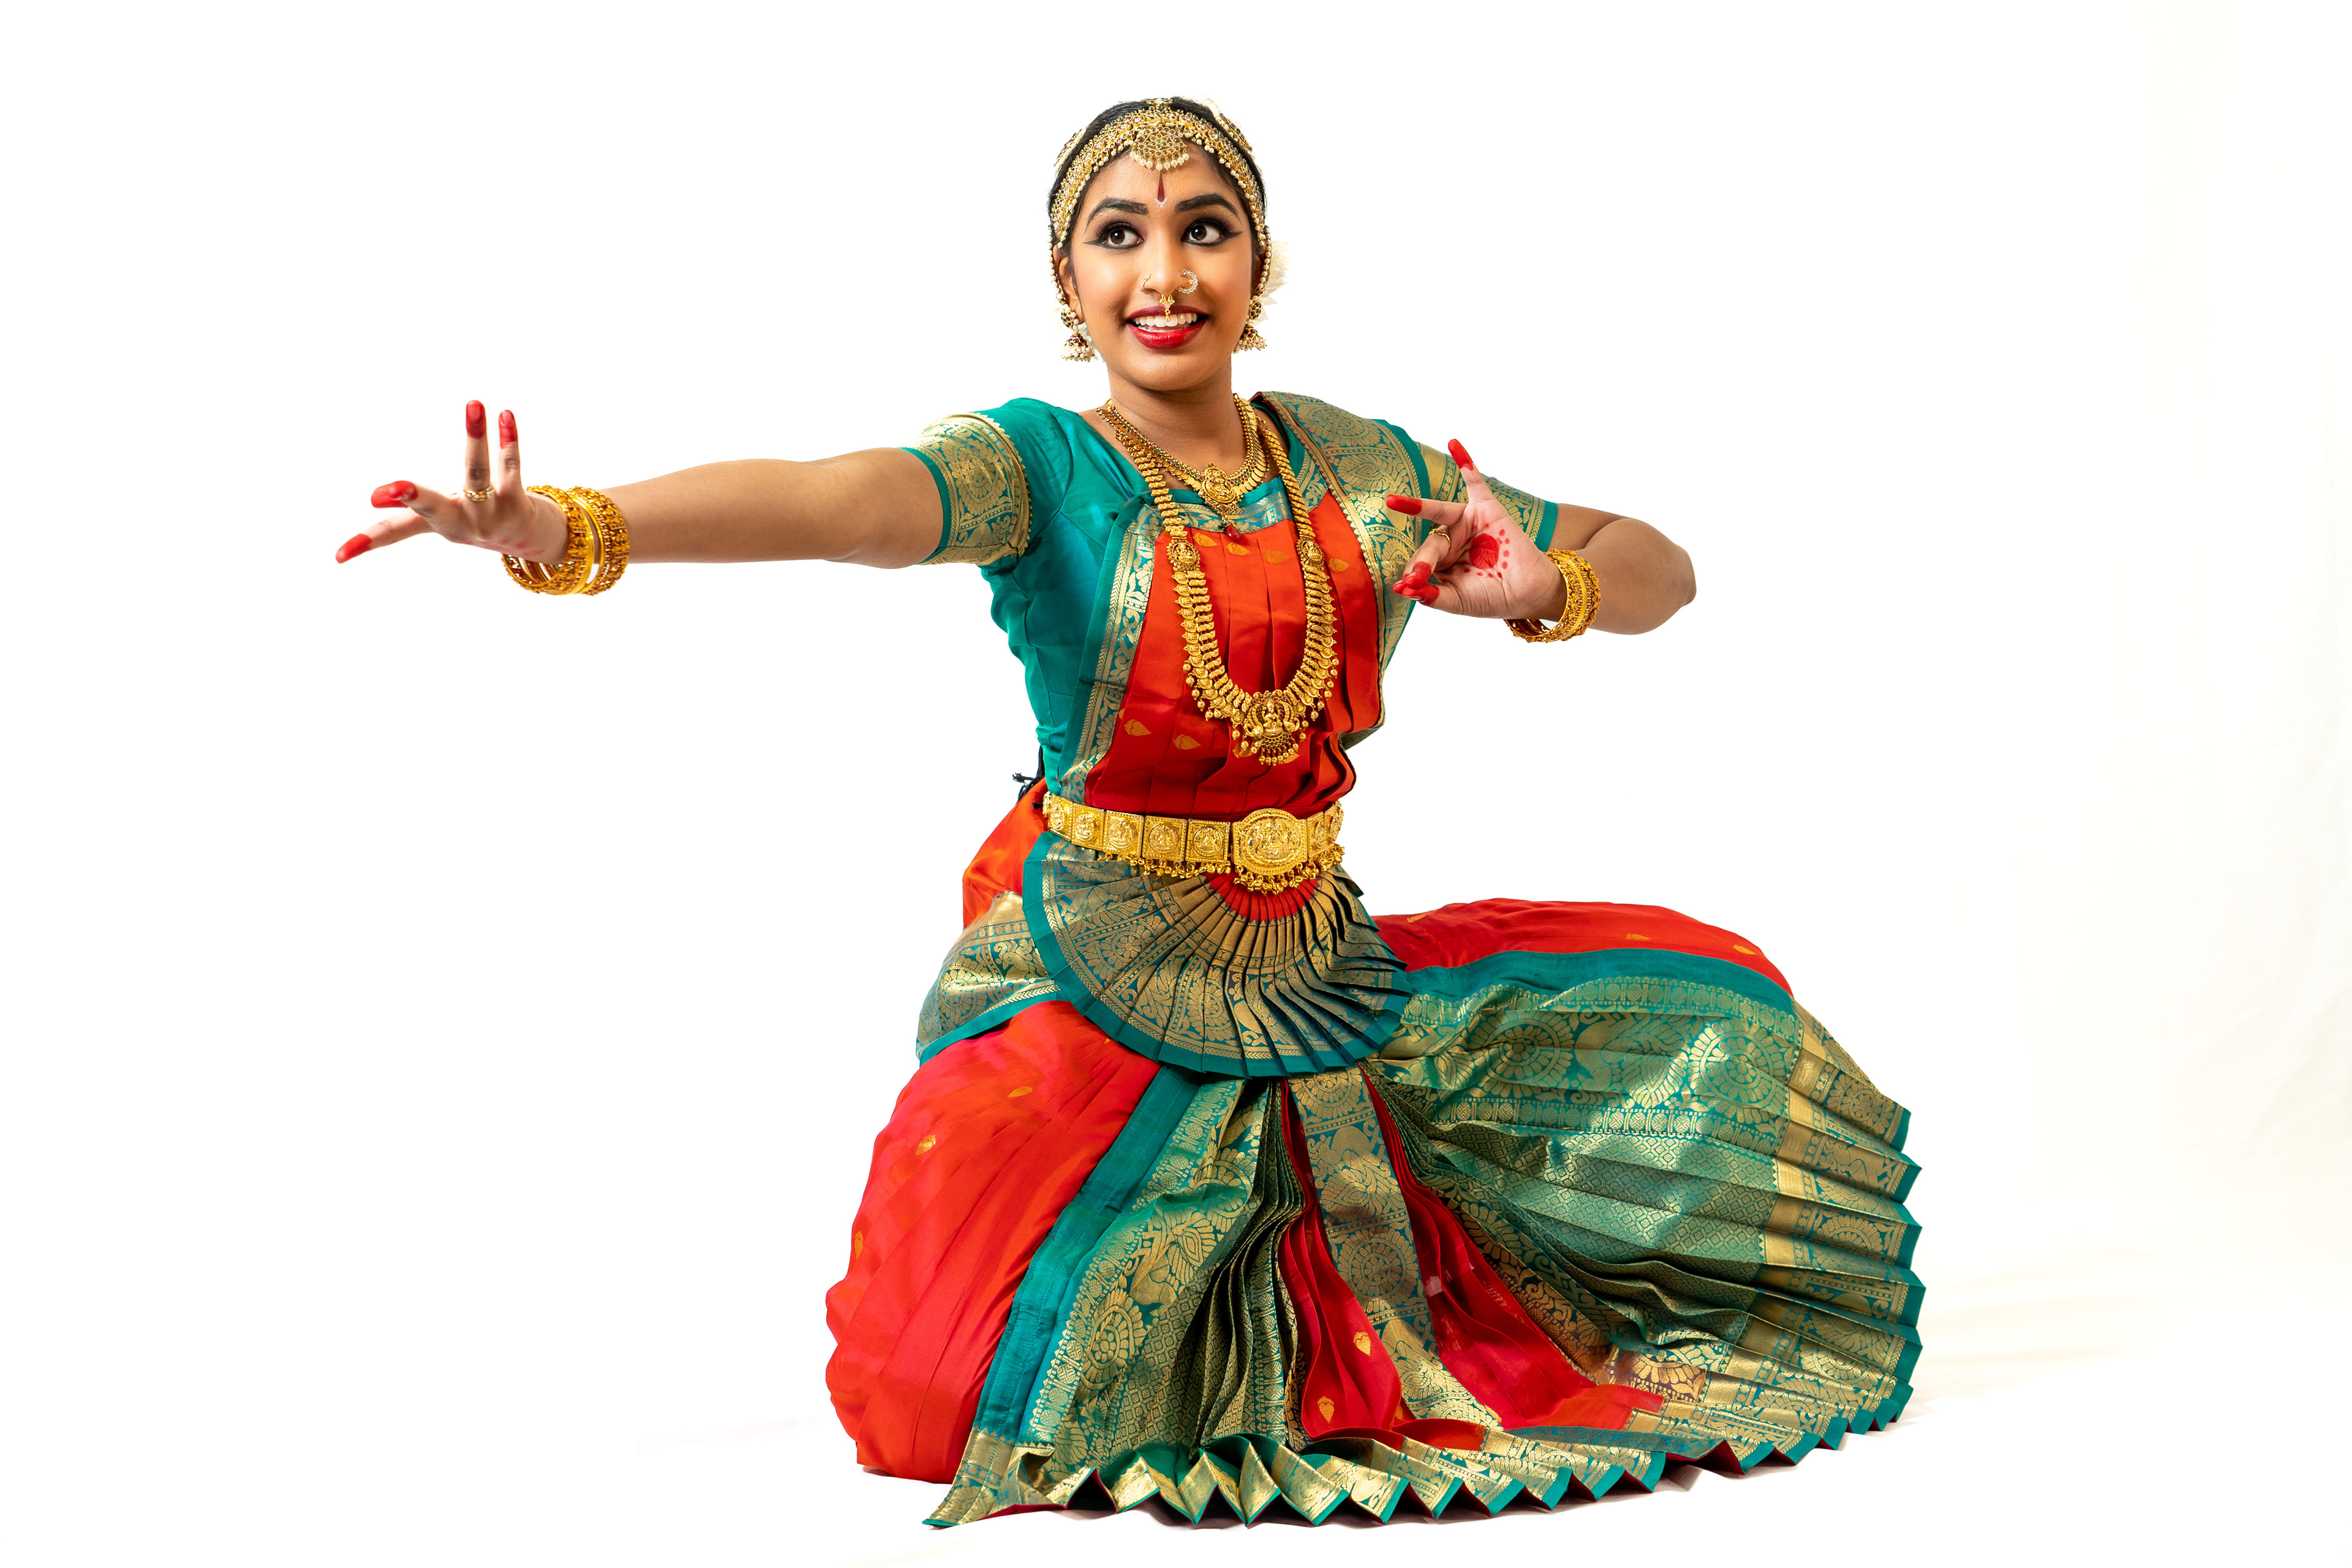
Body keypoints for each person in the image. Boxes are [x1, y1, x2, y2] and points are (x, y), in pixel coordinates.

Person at [341, 97, 1920, 1527]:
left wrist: (1547, 585)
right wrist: (564, 525)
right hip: (1091, 963)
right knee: (940, 1376)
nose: (1165, 274)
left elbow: (1660, 565)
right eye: (1120, 235)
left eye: (1204, 229)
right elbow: (834, 503)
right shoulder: (1036, 467)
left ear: (1256, 264)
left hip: (1317, 964)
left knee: (1711, 1020)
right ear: (1069, 277)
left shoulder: (1355, 465)